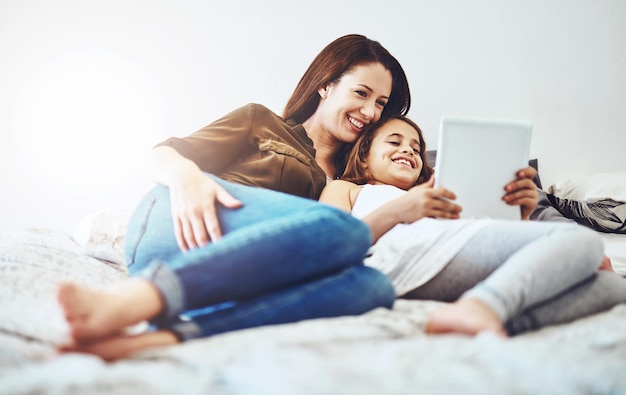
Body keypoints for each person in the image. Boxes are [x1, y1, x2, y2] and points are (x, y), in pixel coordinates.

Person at [56, 34, 411, 361]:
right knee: (343, 230)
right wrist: (186, 176)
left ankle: (166, 338)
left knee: (375, 287)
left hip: (238, 275)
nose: (371, 113)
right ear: (326, 85)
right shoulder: (261, 121)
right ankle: (131, 300)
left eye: (380, 103)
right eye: (361, 94)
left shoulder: (353, 183)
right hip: (182, 223)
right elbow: (158, 155)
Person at [319, 115, 626, 336]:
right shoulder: (346, 188)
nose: (408, 150)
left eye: (415, 148)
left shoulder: (433, 195)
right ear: (364, 157)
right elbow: (327, 248)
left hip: (451, 257)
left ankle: (486, 321)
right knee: (583, 241)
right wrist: (401, 209)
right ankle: (486, 305)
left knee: (614, 288)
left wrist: (522, 216)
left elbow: (481, 242)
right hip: (404, 261)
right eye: (394, 141)